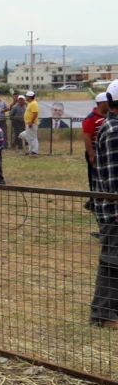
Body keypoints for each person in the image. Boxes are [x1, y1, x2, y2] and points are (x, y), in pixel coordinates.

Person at [90, 79, 118, 330]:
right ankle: (104, 315)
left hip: (111, 208)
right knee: (112, 261)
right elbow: (114, 175)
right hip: (115, 211)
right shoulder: (115, 130)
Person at [84, 92, 109, 198]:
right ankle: (94, 196)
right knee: (94, 175)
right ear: (102, 103)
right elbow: (87, 137)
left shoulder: (110, 116)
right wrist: (91, 155)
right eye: (108, 102)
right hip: (95, 152)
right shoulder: (91, 118)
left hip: (106, 151)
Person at [23, 91, 40, 155]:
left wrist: (31, 122)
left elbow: (35, 113)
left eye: (26, 96)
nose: (26, 97)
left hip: (32, 123)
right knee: (29, 137)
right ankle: (31, 150)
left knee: (33, 137)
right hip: (29, 123)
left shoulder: (34, 104)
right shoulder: (31, 103)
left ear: (29, 97)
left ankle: (34, 151)